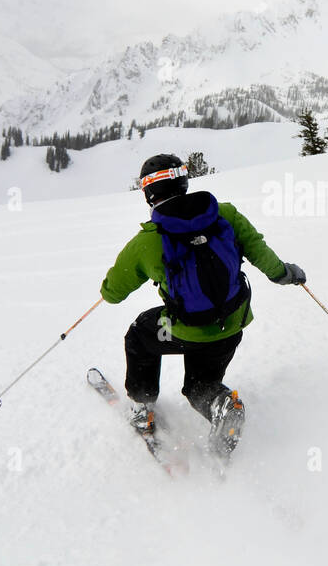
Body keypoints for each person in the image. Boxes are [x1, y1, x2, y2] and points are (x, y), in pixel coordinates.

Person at [100, 154, 305, 455]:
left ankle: (144, 408)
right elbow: (265, 259)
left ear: (148, 192)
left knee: (139, 335)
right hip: (231, 323)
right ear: (183, 181)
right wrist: (288, 274)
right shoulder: (226, 216)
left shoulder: (147, 241)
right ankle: (221, 404)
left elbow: (113, 293)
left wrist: (108, 288)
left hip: (182, 330)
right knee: (199, 385)